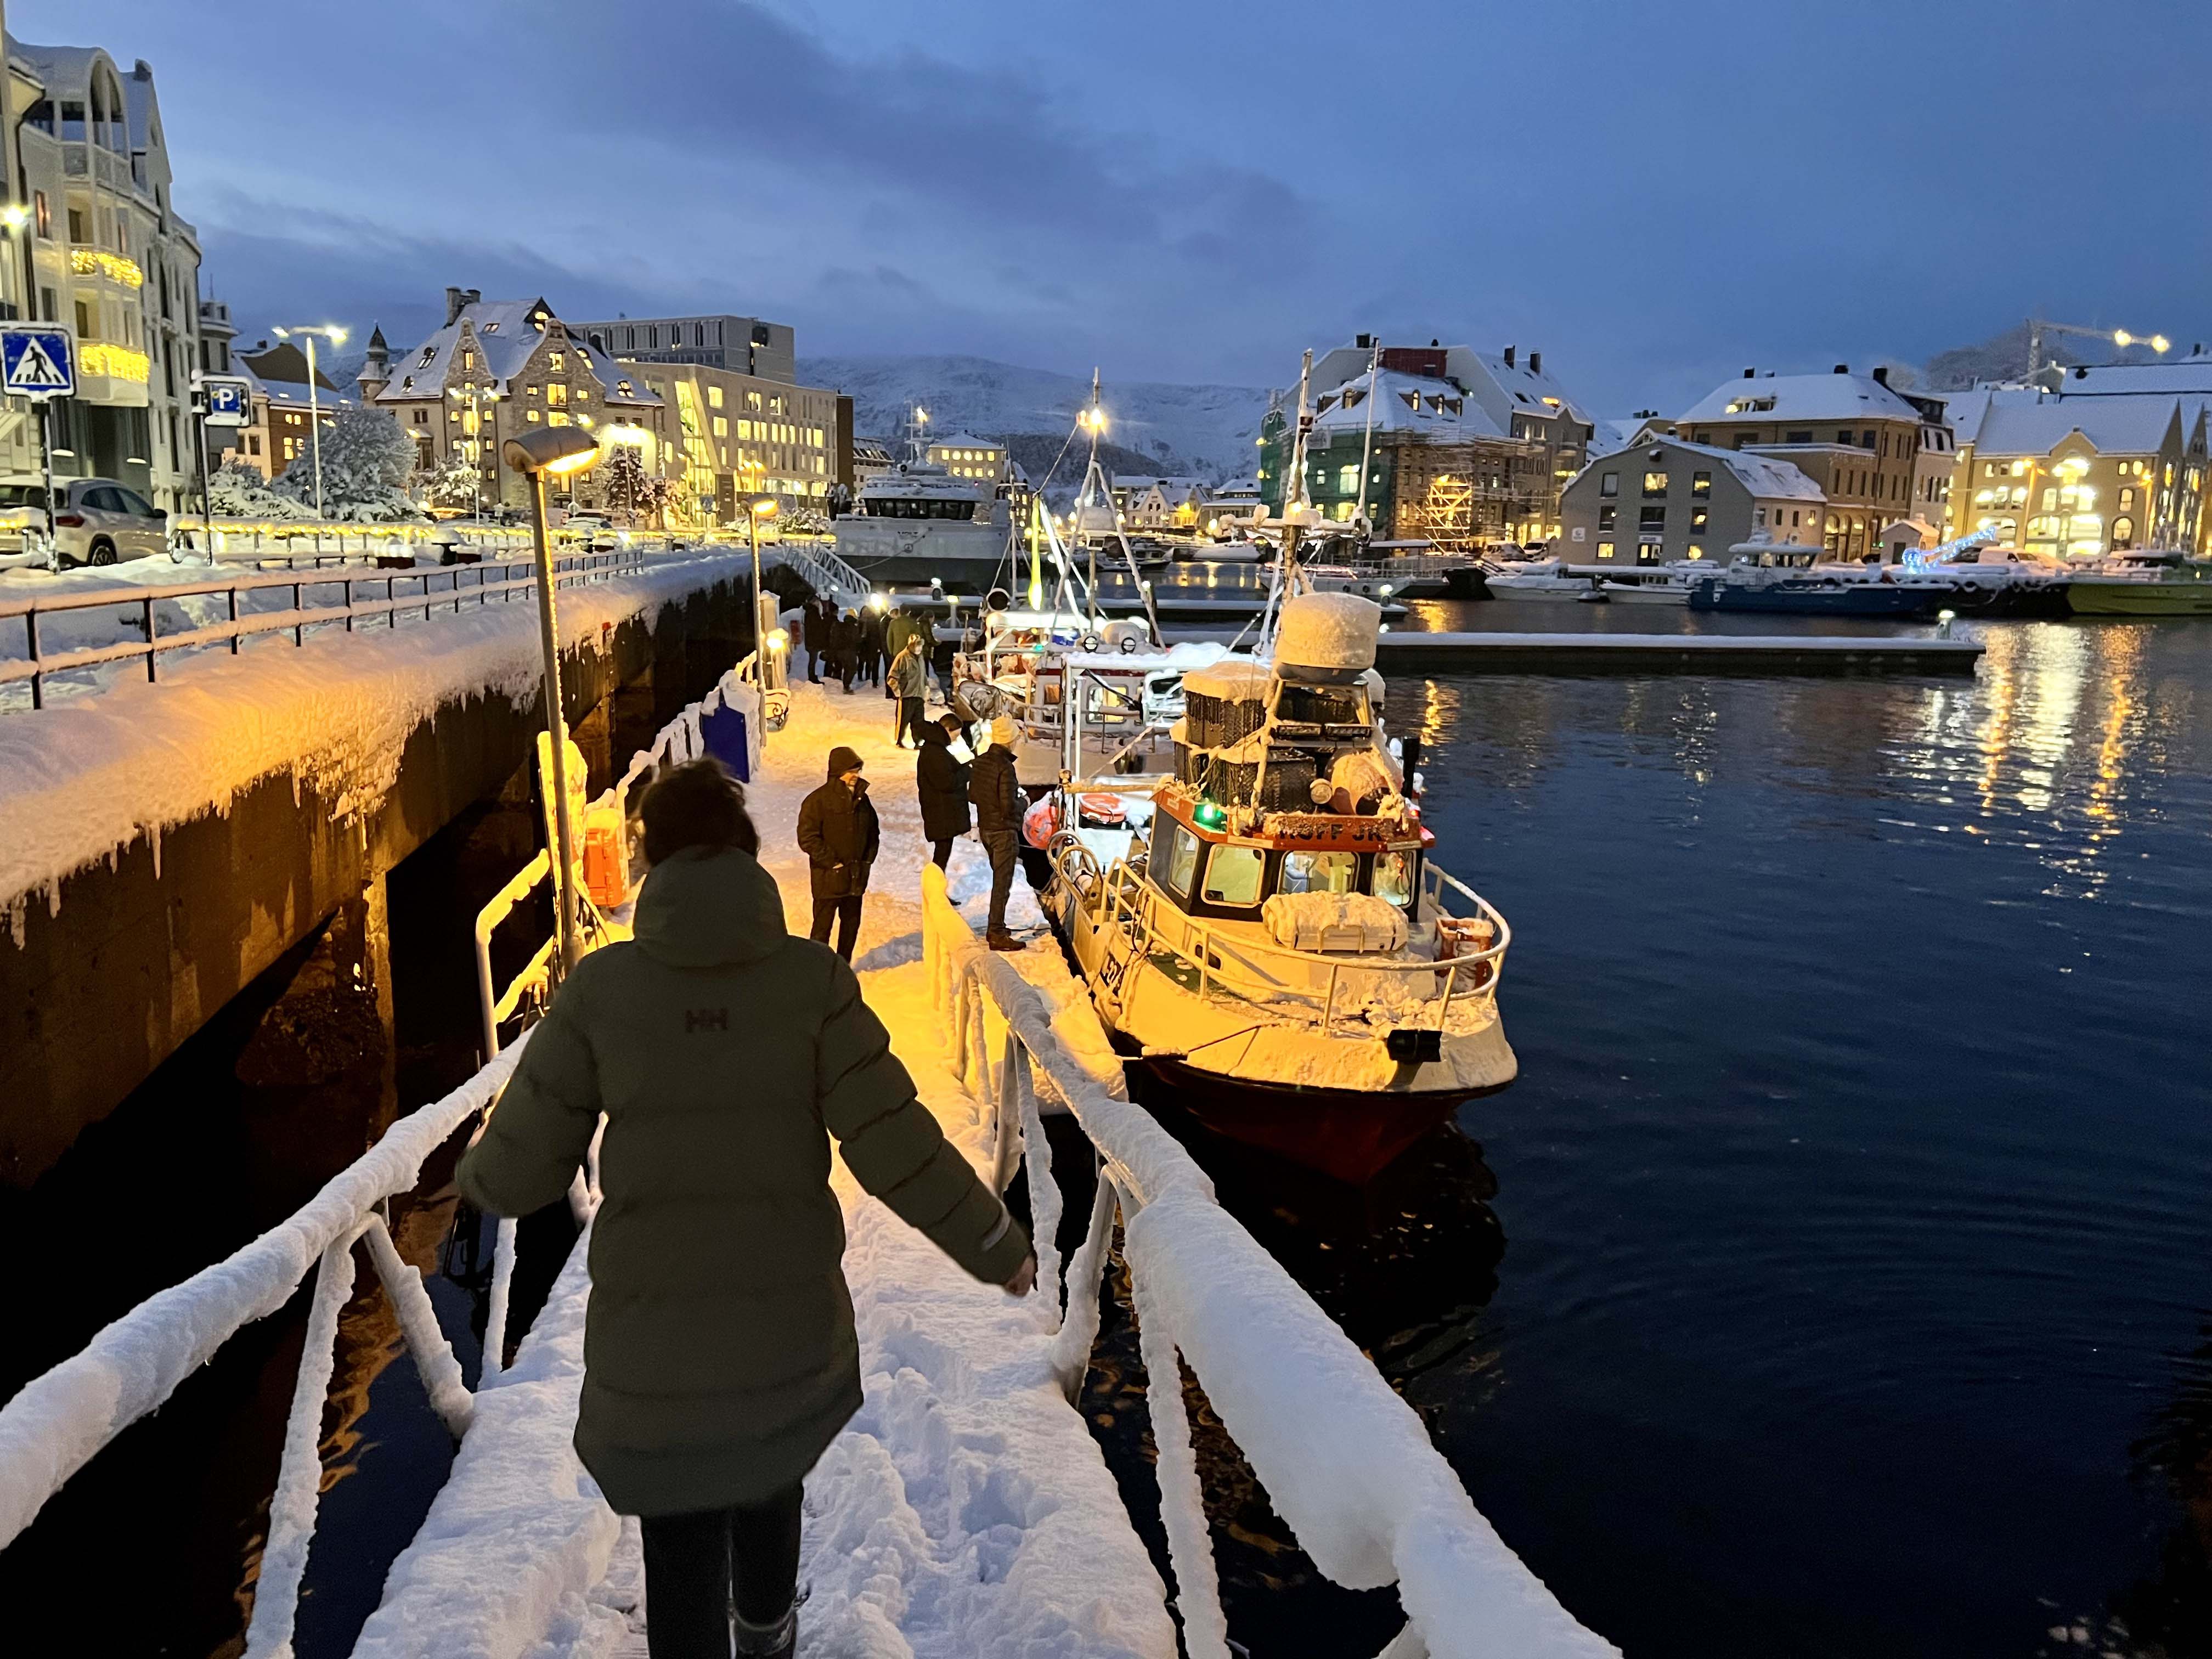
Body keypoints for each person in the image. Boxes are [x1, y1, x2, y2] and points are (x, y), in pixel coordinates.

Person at [458, 759, 1035, 1659]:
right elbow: (893, 1138)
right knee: (770, 1469)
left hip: (653, 1336)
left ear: (649, 856)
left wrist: (478, 1175)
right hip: (785, 1322)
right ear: (746, 851)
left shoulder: (602, 990)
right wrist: (994, 1240)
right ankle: (767, 1632)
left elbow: (518, 1170)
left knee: (678, 1523)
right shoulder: (810, 982)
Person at [796, 745, 877, 958]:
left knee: (851, 926)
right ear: (838, 772)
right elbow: (808, 838)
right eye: (851, 771)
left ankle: (843, 965)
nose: (856, 776)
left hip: (855, 878)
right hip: (828, 880)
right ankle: (818, 970)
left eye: (858, 771)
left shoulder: (863, 800)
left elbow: (873, 831)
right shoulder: (817, 801)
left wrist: (867, 859)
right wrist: (833, 863)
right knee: (822, 929)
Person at [969, 714, 1024, 951]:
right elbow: (1008, 806)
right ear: (1010, 740)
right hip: (1003, 833)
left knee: (999, 880)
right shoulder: (1006, 768)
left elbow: (972, 796)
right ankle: (997, 932)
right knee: (1002, 883)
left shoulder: (981, 762)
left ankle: (997, 925)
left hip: (987, 831)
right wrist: (1024, 802)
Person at [915, 715, 970, 871]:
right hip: (941, 812)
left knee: (943, 853)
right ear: (947, 730)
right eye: (956, 735)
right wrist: (967, 772)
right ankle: (934, 888)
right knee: (942, 855)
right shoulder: (934, 752)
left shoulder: (934, 749)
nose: (955, 740)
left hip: (941, 811)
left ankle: (936, 886)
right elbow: (946, 782)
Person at [888, 635, 929, 748]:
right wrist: (897, 691)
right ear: (911, 646)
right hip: (907, 695)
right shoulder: (902, 657)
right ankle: (899, 740)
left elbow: (923, 674)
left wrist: (926, 686)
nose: (919, 649)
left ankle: (918, 741)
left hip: (919, 695)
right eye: (917, 646)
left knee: (919, 721)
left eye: (921, 646)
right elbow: (892, 677)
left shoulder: (920, 657)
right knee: (903, 720)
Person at [833, 610, 859, 695]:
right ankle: (846, 686)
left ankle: (846, 685)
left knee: (847, 668)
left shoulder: (840, 626)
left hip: (840, 651)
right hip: (850, 651)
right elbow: (856, 640)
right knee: (852, 669)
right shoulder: (853, 627)